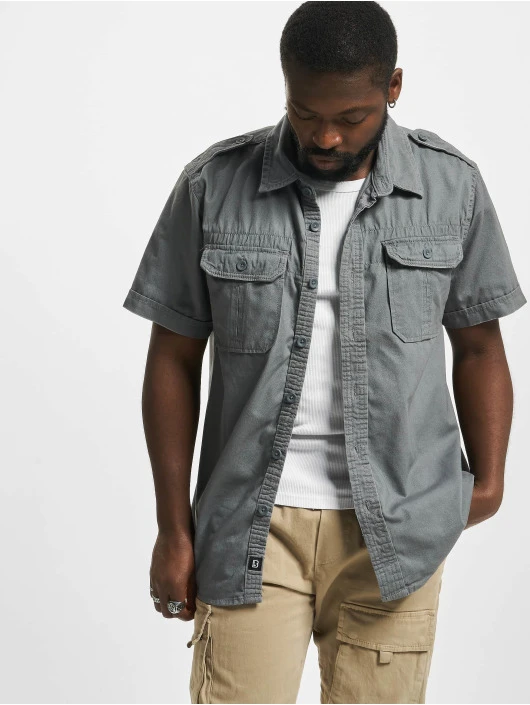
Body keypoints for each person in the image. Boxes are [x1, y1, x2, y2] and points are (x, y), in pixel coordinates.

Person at [122, 2, 526, 702]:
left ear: (393, 87)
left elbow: (480, 345)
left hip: (398, 525)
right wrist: (173, 529)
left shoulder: (451, 187)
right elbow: (173, 358)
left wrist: (487, 484)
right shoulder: (214, 184)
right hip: (252, 523)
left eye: (352, 117)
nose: (327, 136)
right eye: (305, 113)